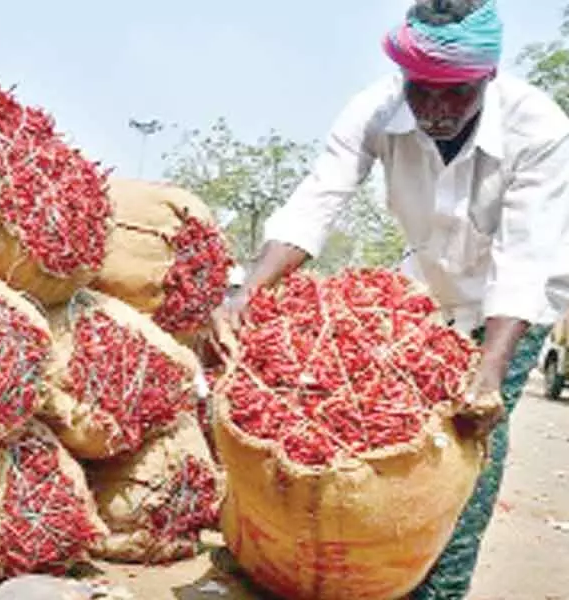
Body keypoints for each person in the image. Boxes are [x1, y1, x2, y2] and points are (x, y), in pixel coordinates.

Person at [214, 0, 569, 597]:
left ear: (487, 76)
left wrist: (489, 372)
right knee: (370, 446)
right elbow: (317, 200)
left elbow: (524, 260)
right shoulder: (377, 108)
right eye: (420, 90)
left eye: (454, 94)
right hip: (428, 294)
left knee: (470, 454)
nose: (433, 110)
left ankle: (442, 590)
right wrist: (246, 291)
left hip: (511, 309)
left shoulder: (539, 128)